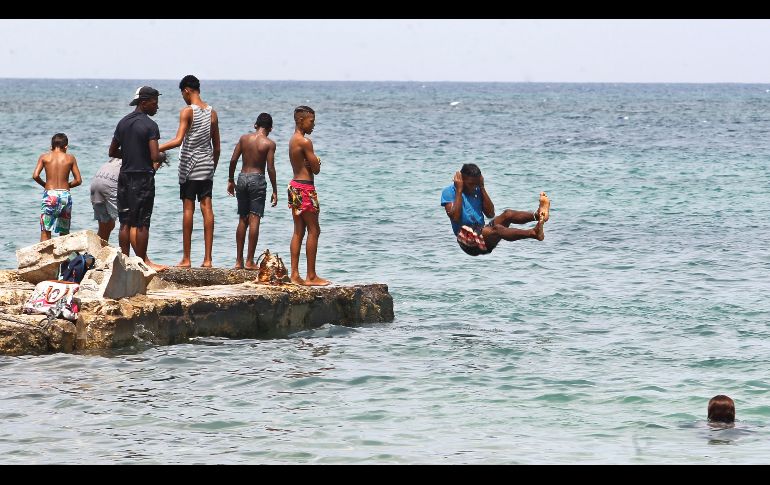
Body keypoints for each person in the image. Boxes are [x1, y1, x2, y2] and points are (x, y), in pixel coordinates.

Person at [159, 75, 221, 268]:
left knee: (188, 209)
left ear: (186, 90)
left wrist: (155, 149)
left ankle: (186, 258)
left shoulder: (187, 112)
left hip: (189, 166)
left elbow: (178, 141)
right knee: (207, 208)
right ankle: (208, 259)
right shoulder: (212, 113)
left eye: (182, 94)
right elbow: (217, 146)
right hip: (207, 165)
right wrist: (213, 166)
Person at [108, 85, 168, 272]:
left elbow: (112, 151)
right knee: (142, 222)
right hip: (142, 178)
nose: (157, 107)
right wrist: (162, 156)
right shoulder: (150, 126)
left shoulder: (122, 123)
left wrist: (130, 154)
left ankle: (124, 261)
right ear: (144, 103)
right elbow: (154, 156)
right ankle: (142, 262)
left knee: (125, 221)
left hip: (125, 176)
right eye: (154, 103)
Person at [440, 163, 550, 256]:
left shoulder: (478, 189)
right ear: (461, 180)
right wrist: (459, 190)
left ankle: (538, 215)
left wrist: (482, 187)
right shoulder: (450, 192)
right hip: (467, 240)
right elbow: (455, 217)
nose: (474, 187)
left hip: (481, 232)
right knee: (497, 229)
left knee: (508, 214)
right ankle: (533, 233)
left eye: (476, 183)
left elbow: (490, 214)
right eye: (470, 184)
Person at [227, 113, 278, 269]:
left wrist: (230, 179)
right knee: (254, 219)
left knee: (243, 219)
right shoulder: (269, 143)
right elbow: (270, 168)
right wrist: (275, 190)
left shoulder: (244, 139)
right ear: (270, 128)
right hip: (257, 179)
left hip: (242, 178)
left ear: (255, 125)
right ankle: (249, 261)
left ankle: (238, 261)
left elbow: (233, 160)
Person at [287, 105, 329, 286]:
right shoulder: (305, 142)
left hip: (294, 186)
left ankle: (295, 275)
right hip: (305, 189)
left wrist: (310, 162)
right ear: (300, 121)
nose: (314, 125)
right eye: (311, 121)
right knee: (314, 230)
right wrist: (316, 161)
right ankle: (311, 276)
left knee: (298, 231)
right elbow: (316, 169)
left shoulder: (292, 140)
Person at [32, 133, 82, 241]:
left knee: (46, 229)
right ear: (66, 147)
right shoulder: (70, 158)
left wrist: (45, 185)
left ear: (51, 146)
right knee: (64, 230)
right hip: (65, 195)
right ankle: (63, 256)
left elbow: (35, 175)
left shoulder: (44, 157)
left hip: (50, 195)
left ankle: (45, 257)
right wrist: (67, 185)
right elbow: (78, 180)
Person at [90, 157, 122, 243]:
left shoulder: (118, 155)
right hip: (110, 181)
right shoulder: (141, 158)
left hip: (97, 180)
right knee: (127, 224)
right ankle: (128, 255)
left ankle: (98, 250)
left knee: (106, 224)